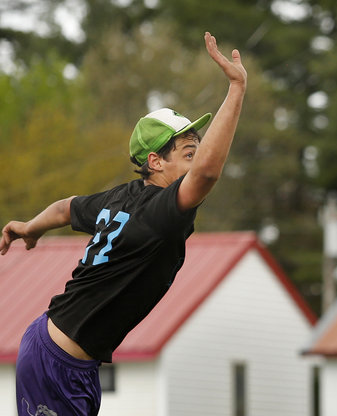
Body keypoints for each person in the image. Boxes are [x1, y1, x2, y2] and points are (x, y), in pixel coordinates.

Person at [1, 32, 246, 416]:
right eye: (188, 154)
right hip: (58, 365)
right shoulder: (158, 212)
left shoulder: (120, 198)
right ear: (155, 161)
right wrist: (236, 88)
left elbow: (67, 207)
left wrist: (31, 227)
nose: (195, 163)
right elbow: (208, 175)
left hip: (64, 358)